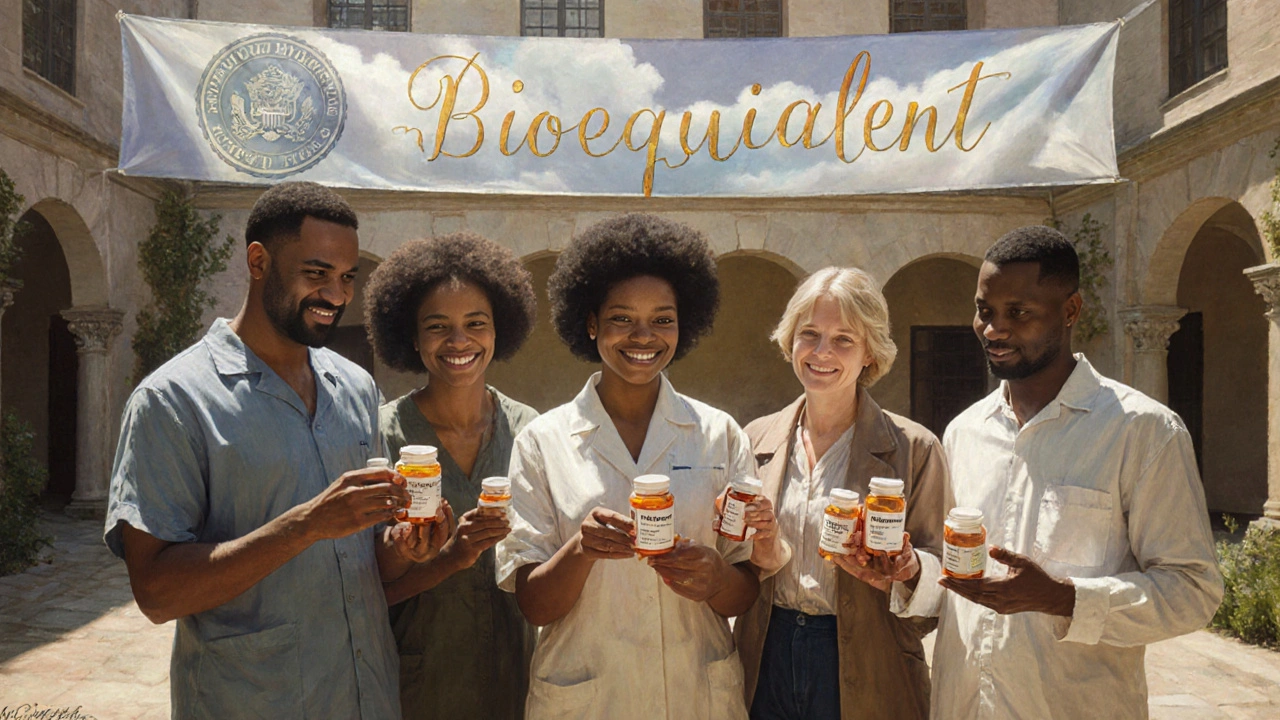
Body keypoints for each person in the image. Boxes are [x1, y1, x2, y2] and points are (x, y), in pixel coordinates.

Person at [104, 182, 445, 719]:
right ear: (258, 261)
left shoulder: (355, 389)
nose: (337, 295)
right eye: (316, 274)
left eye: (347, 277)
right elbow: (156, 593)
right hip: (251, 701)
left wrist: (403, 546)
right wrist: (307, 525)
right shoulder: (173, 402)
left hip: (366, 698)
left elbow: (359, 563)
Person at [930, 226, 1224, 719]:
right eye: (985, 311)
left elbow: (1193, 590)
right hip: (963, 706)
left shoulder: (1142, 432)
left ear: (1071, 311)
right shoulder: (963, 432)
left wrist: (1066, 599)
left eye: (1018, 313)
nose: (994, 330)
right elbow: (952, 578)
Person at [495, 213, 768, 720]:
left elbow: (744, 588)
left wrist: (716, 579)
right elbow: (532, 604)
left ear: (684, 325)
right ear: (591, 322)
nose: (643, 336)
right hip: (589, 697)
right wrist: (581, 550)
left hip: (697, 694)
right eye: (622, 318)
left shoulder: (718, 434)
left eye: (663, 319)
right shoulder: (542, 442)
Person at [734, 267, 952, 720]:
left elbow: (946, 578)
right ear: (789, 340)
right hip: (766, 653)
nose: (821, 352)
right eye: (808, 333)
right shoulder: (755, 439)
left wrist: (910, 570)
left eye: (844, 339)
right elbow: (733, 559)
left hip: (871, 660)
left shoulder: (915, 449)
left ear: (871, 351)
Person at [363, 232, 539, 719]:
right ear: (411, 337)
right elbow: (362, 582)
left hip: (515, 680)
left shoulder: (530, 433)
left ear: (499, 330)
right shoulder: (380, 436)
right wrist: (422, 553)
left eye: (475, 323)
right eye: (438, 326)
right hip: (418, 685)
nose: (459, 342)